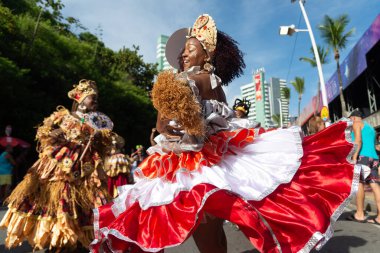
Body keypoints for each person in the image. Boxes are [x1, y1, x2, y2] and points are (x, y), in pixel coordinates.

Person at [90, 14, 359, 253]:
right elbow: (207, 122)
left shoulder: (192, 79)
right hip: (207, 157)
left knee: (186, 229)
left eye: (191, 50)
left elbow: (166, 119)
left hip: (197, 162)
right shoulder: (215, 84)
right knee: (210, 234)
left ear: (207, 56)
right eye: (183, 51)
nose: (184, 55)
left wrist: (166, 117)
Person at [0, 79, 124, 251]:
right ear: (80, 98)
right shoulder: (66, 116)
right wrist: (57, 134)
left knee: (88, 204)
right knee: (61, 200)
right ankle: (59, 238)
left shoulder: (97, 122)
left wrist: (99, 138)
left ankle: (80, 240)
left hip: (87, 168)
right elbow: (46, 134)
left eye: (96, 98)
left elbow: (110, 144)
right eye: (92, 97)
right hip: (62, 166)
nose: (95, 101)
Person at [348, 109, 380, 225]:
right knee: (374, 185)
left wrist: (354, 157)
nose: (350, 121)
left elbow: (358, 141)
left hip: (362, 157)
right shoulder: (371, 128)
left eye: (350, 118)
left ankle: (360, 214)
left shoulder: (356, 124)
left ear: (354, 117)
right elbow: (375, 145)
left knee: (360, 183)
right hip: (374, 158)